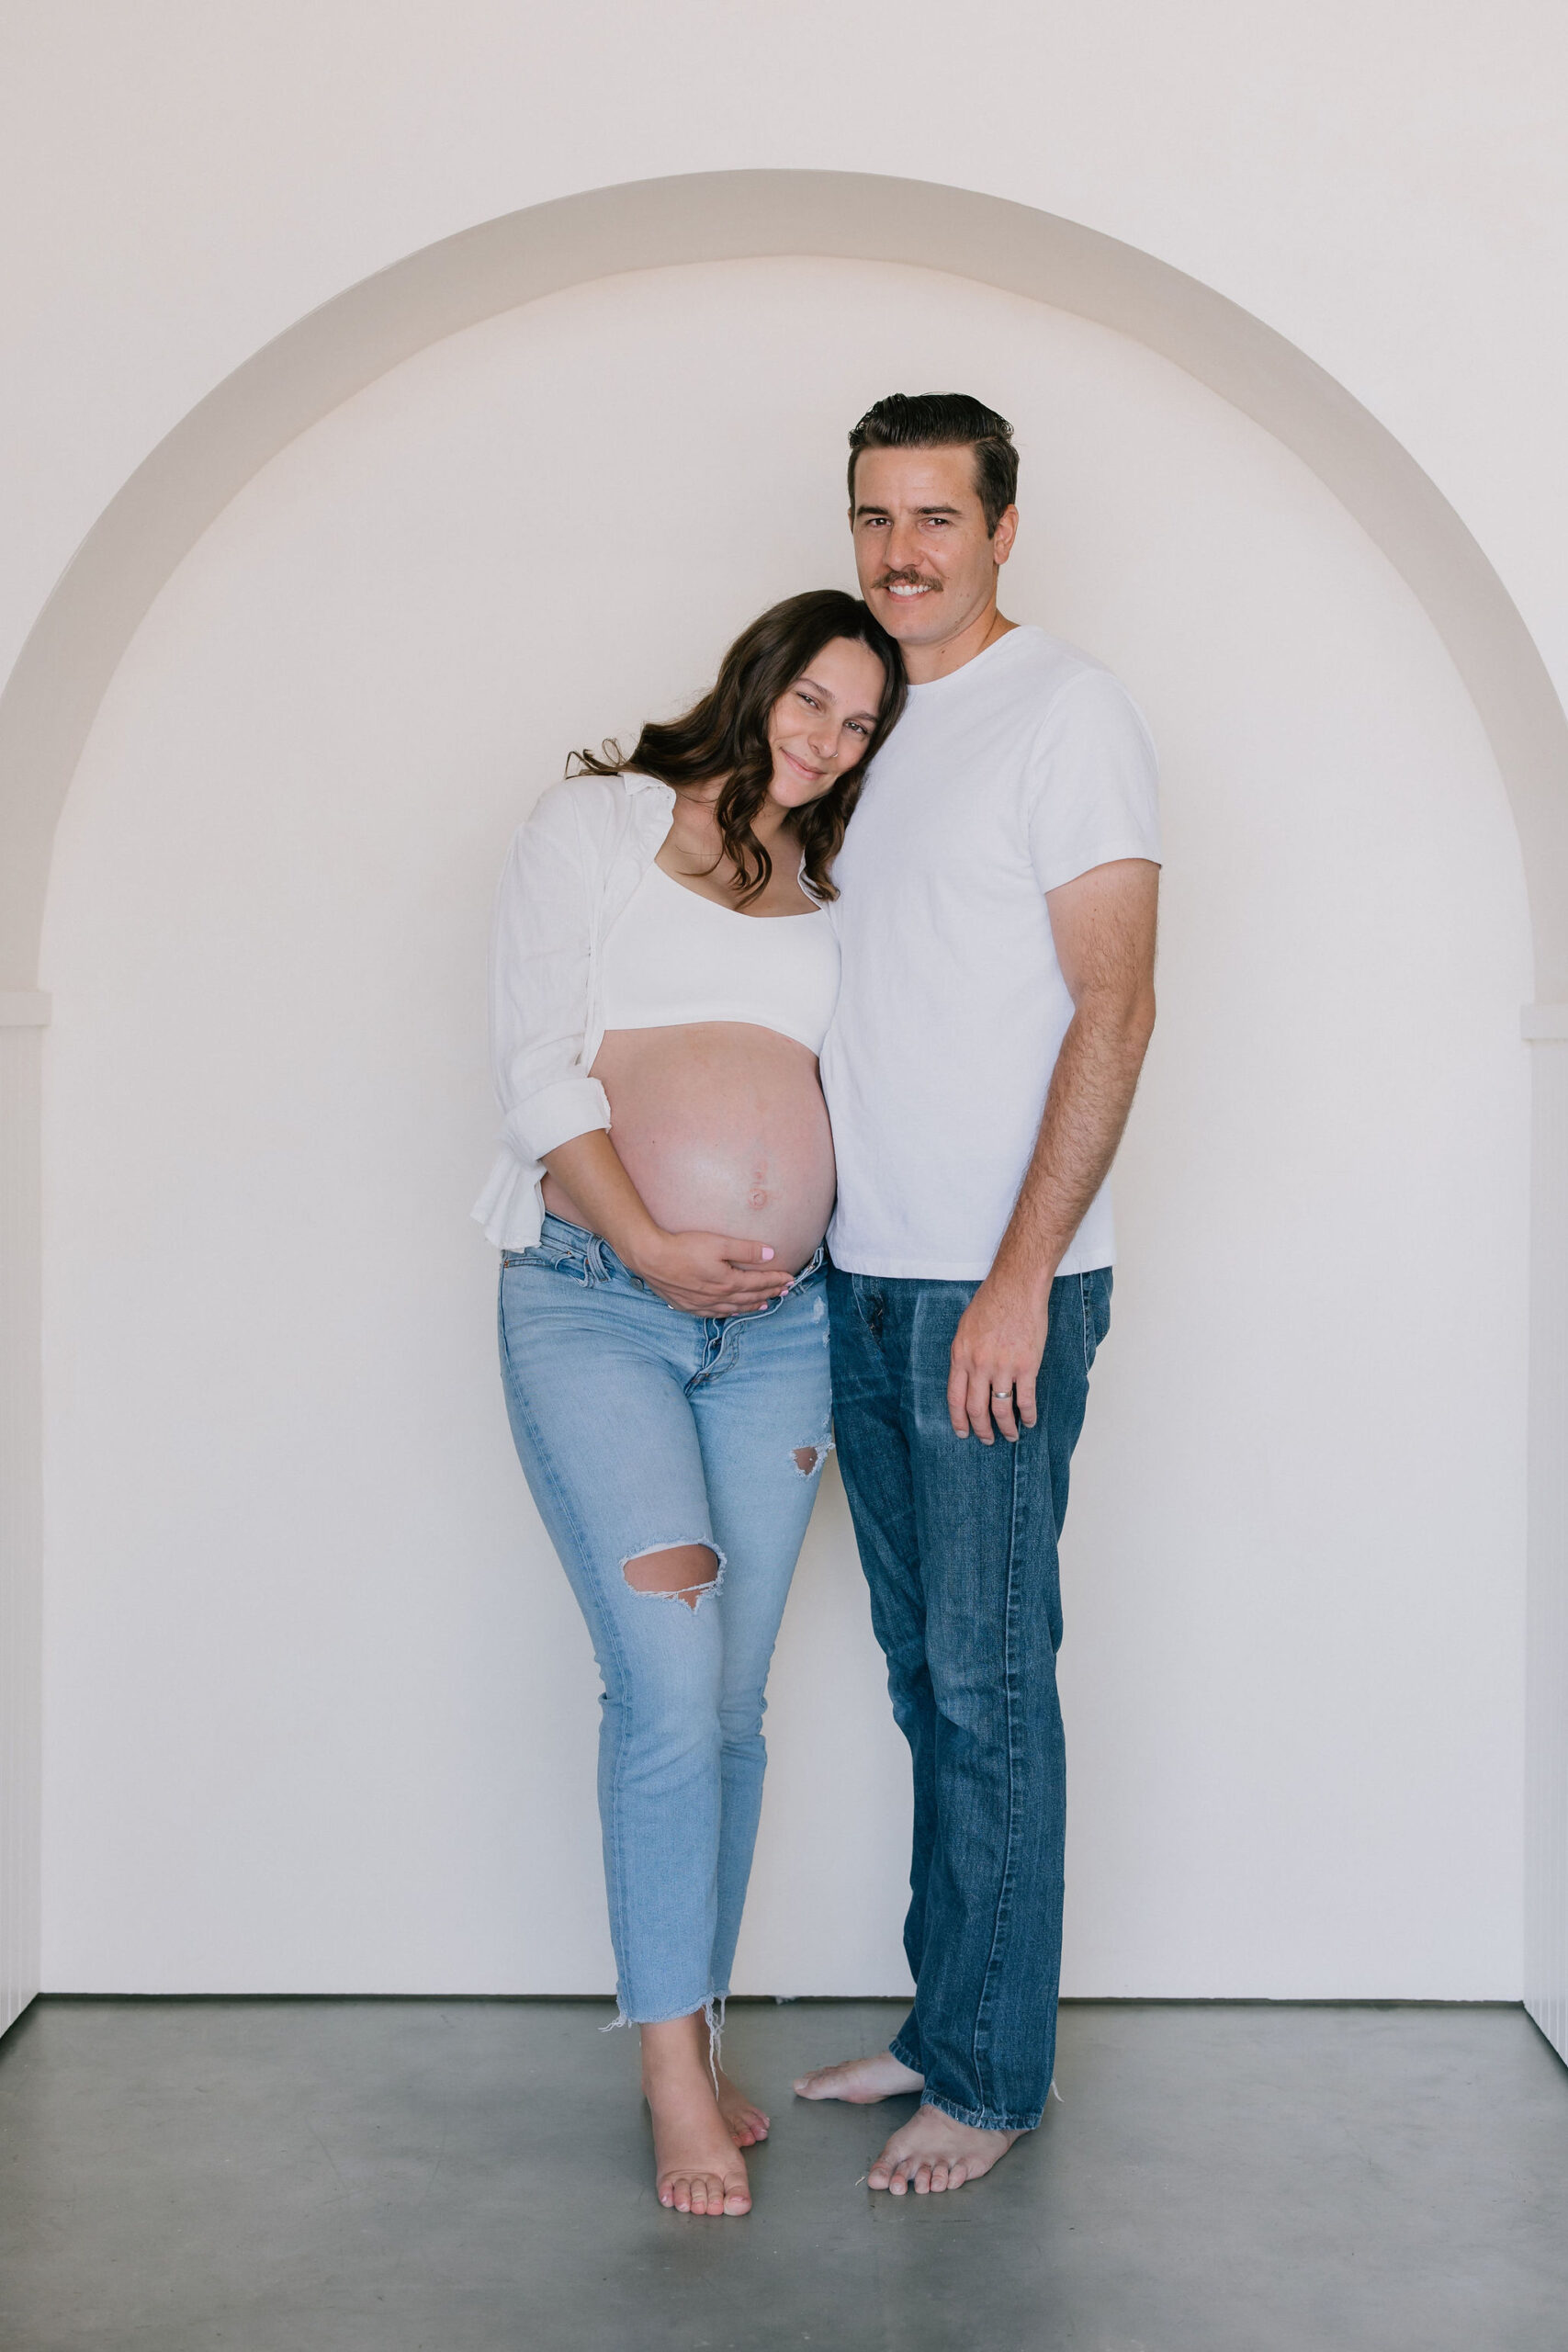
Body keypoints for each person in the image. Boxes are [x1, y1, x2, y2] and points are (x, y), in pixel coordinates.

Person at [475, 589, 906, 2220]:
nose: (826, 737)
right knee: (662, 1684)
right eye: (813, 697)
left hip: (781, 1333)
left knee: (728, 1706)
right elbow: (533, 1069)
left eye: (861, 724)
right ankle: (669, 2078)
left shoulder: (828, 892)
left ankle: (700, 2027)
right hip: (596, 1303)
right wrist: (650, 1239)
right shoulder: (597, 825)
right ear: (758, 678)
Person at [793, 393, 1161, 2195]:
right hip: (858, 1283)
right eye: (875, 517)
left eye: (936, 516)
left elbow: (1113, 1002)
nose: (902, 552)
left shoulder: (1065, 711)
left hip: (986, 1291)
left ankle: (992, 2082)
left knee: (991, 1687)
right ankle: (947, 2019)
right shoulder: (867, 719)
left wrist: (1018, 1276)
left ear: (1002, 528)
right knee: (921, 1672)